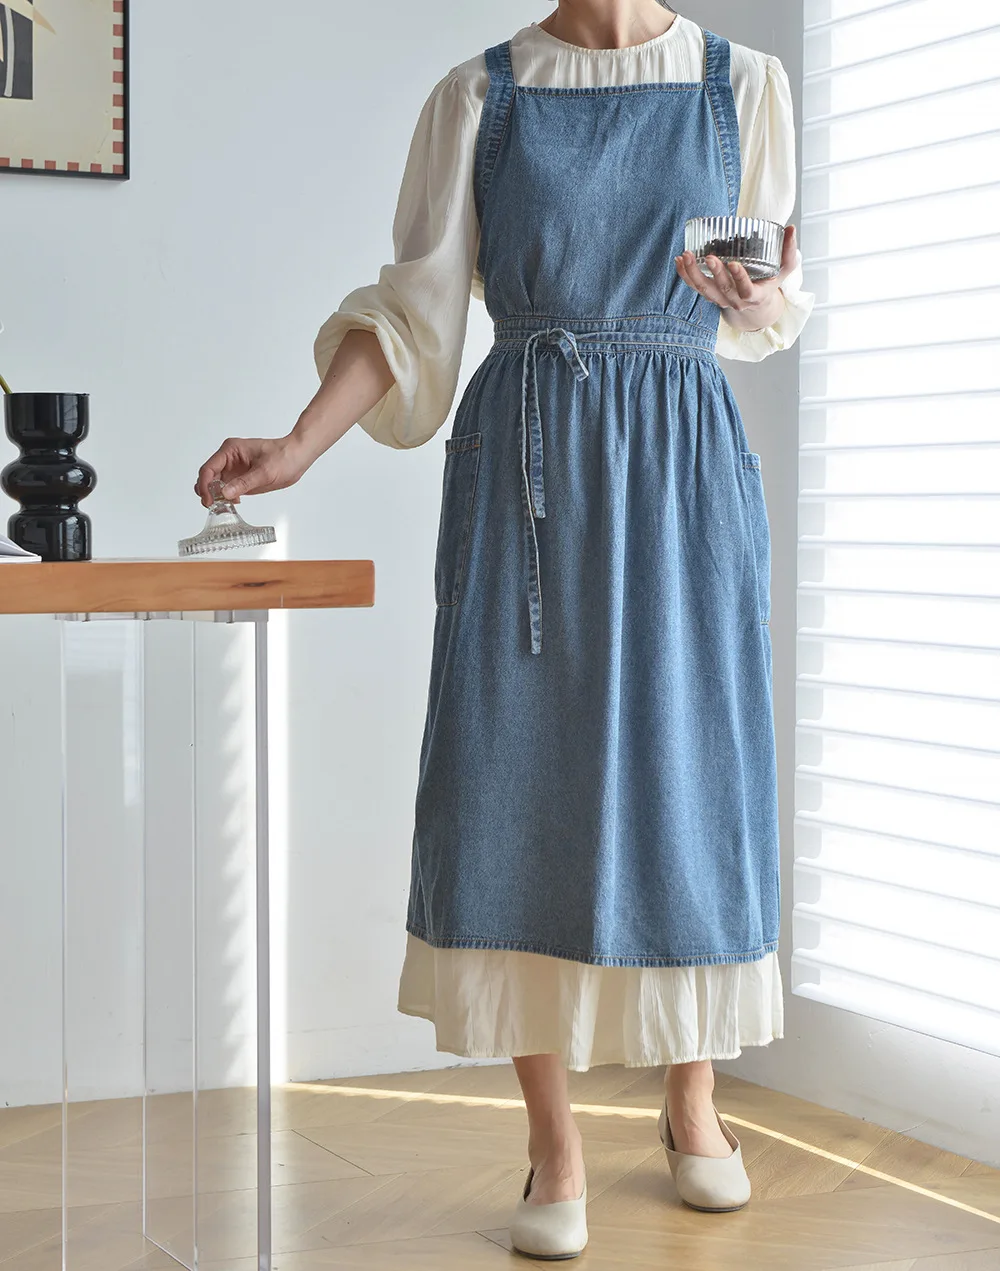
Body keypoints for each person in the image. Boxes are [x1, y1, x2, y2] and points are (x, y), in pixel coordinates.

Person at [196, 0, 814, 1258]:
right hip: (529, 461)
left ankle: (693, 1098)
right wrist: (299, 445)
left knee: (689, 764)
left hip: (680, 461)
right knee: (514, 769)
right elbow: (415, 310)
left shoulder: (741, 82)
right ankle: (552, 1136)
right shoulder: (479, 95)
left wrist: (754, 293)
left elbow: (768, 306)